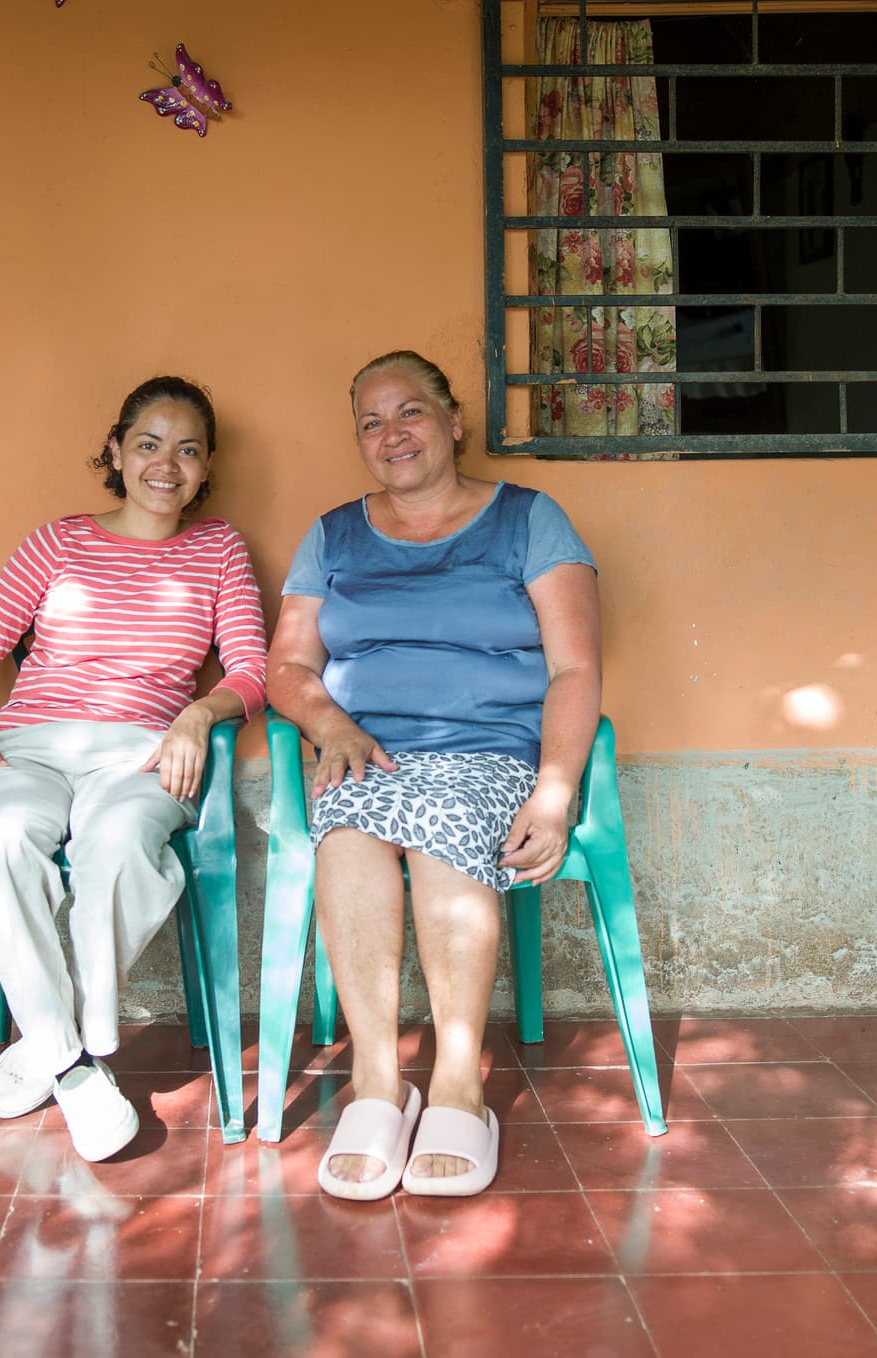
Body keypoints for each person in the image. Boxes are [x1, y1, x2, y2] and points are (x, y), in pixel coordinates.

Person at [269, 350, 601, 1198]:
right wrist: (329, 722)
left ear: (454, 422)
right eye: (371, 422)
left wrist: (555, 790)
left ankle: (458, 1081)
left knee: (445, 836)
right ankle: (378, 1080)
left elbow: (573, 672)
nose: (393, 434)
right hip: (368, 748)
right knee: (346, 833)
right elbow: (287, 666)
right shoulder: (333, 534)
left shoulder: (529, 519)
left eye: (410, 412)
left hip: (486, 752)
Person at [0, 375, 265, 1163]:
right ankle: (76, 1069)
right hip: (32, 745)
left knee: (119, 844)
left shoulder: (218, 548)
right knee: (0, 835)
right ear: (117, 451)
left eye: (187, 450)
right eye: (148, 445)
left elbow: (250, 671)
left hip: (143, 752)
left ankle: (45, 1047)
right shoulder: (57, 542)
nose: (166, 464)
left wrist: (195, 714)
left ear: (208, 463)